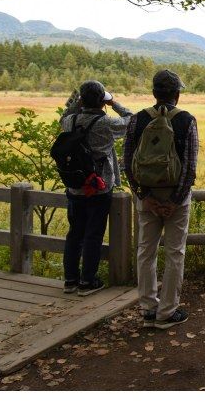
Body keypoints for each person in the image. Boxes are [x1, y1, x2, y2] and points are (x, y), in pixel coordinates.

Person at [124, 69, 198, 329]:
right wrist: (175, 201)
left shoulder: (137, 120)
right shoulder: (186, 120)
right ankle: (167, 312)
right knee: (175, 252)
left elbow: (127, 163)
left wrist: (145, 197)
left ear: (154, 93)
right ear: (177, 94)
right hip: (176, 199)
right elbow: (189, 167)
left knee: (146, 251)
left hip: (147, 198)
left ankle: (148, 309)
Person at [60, 81, 132, 295]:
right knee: (93, 234)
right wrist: (114, 102)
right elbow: (131, 119)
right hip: (99, 186)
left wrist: (75, 101)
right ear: (102, 102)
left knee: (74, 234)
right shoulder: (106, 123)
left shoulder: (69, 121)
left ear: (81, 100)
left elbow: (64, 114)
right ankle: (87, 281)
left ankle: (70, 280)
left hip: (75, 186)